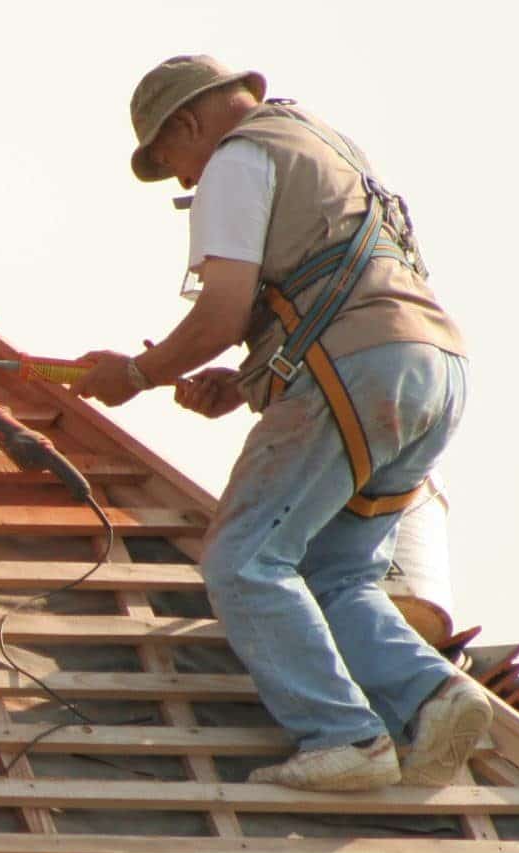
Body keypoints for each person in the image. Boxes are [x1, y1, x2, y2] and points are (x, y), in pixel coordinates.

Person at [70, 55, 492, 792]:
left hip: (357, 373)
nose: (182, 181)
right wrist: (245, 383)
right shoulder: (319, 144)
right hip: (430, 369)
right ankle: (432, 692)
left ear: (187, 124)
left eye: (170, 159)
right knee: (337, 572)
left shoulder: (236, 159)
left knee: (243, 558)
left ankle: (342, 736)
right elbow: (323, 286)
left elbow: (221, 310)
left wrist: (136, 374)